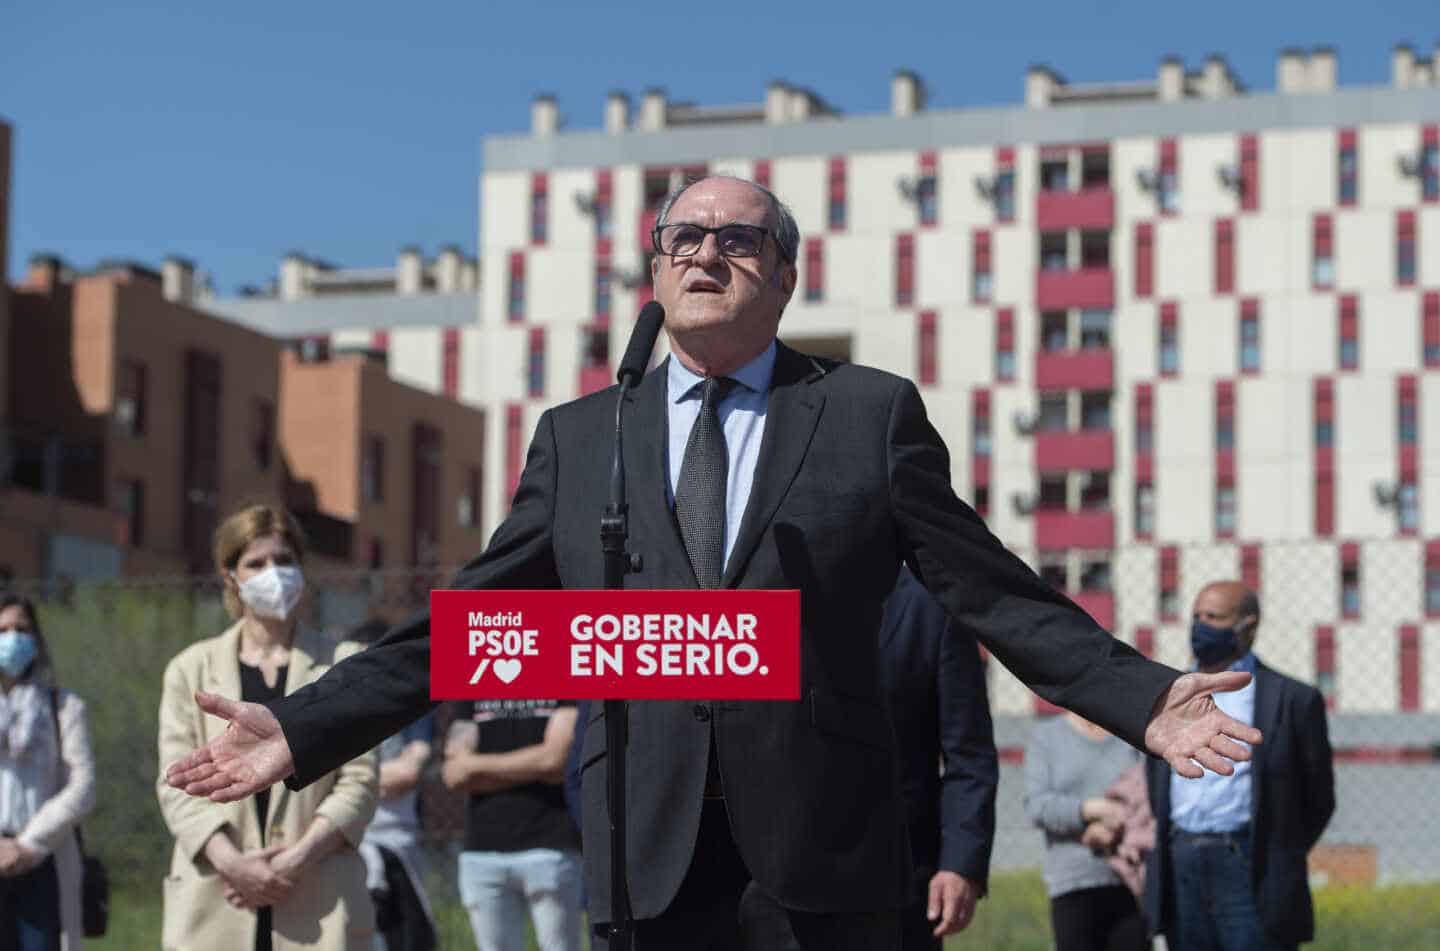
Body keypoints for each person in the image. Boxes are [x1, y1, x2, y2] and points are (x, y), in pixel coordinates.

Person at [168, 176, 1262, 950]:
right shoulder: (584, 435)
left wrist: (1142, 696)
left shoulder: (864, 415)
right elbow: (474, 622)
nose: (703, 253)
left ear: (783, 276)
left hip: (825, 848)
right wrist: (309, 725)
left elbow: (988, 587)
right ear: (655, 269)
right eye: (681, 237)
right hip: (645, 845)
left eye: (735, 239)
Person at [738, 566, 998, 950]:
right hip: (773, 885)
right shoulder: (764, 592)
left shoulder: (931, 610)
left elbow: (969, 755)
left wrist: (961, 864)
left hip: (898, 886)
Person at [156, 505, 378, 951]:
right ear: (230, 576)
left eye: (284, 561)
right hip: (216, 898)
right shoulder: (190, 669)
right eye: (255, 563)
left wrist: (295, 860)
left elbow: (360, 780)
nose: (273, 573)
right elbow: (176, 783)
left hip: (316, 895)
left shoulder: (345, 663)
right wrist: (232, 863)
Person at [1143, 581, 1335, 951]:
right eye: (1196, 616)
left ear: (1248, 625)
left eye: (1213, 617)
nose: (1200, 625)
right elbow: (1156, 784)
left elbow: (1318, 799)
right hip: (1181, 863)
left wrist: (1275, 847)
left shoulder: (1293, 699)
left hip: (1252, 869)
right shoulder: (1168, 694)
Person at [441, 696, 582, 951]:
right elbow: (454, 774)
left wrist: (477, 767)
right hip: (482, 852)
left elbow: (556, 760)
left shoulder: (563, 672)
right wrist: (533, 767)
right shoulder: (473, 677)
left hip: (551, 846)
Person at [0, 593, 96, 950]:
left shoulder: (64, 708)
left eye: (21, 629)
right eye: (3, 629)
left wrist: (26, 846)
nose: (12, 639)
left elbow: (82, 786)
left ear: (36, 640)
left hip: (44, 860)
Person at [1025, 711, 1147, 951]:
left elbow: (1147, 795)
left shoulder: (1129, 732)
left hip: (1131, 883)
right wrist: (1087, 811)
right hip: (1073, 883)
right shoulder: (1046, 737)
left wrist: (1118, 827)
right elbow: (1036, 806)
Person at [351, 619, 437, 951]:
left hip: (396, 843)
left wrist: (349, 780)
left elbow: (408, 772)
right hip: (344, 841)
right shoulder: (337, 715)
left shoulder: (412, 709)